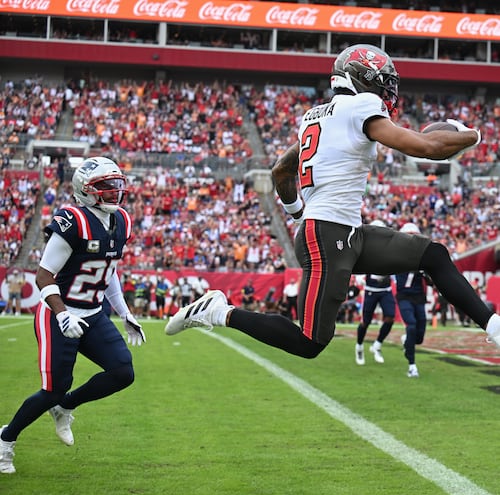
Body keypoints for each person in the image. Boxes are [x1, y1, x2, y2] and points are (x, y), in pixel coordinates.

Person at [164, 44, 500, 366]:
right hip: (328, 235)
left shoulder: (315, 116)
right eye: (381, 82)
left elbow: (281, 170)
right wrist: (473, 136)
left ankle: (494, 327)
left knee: (433, 255)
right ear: (360, 79)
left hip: (342, 232)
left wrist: (298, 214)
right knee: (309, 343)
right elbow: (424, 147)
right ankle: (219, 312)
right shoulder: (360, 107)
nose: (386, 92)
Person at [0, 157, 145, 474]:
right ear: (87, 190)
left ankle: (66, 406)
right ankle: (5, 440)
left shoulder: (120, 220)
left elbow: (109, 269)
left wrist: (124, 312)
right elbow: (43, 276)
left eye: (117, 185)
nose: (115, 192)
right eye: (106, 187)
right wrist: (62, 314)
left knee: (123, 372)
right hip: (57, 313)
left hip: (93, 313)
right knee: (52, 388)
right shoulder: (73, 219)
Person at [355, 220, 396, 365]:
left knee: (390, 317)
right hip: (371, 289)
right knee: (365, 321)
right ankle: (359, 346)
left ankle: (377, 345)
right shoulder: (365, 247)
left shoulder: (389, 248)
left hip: (385, 289)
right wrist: (360, 277)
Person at [395, 223, 430, 377]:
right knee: (411, 327)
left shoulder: (423, 257)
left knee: (419, 336)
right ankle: (412, 366)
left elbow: (431, 279)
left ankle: (407, 342)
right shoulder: (395, 255)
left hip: (419, 298)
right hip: (404, 297)